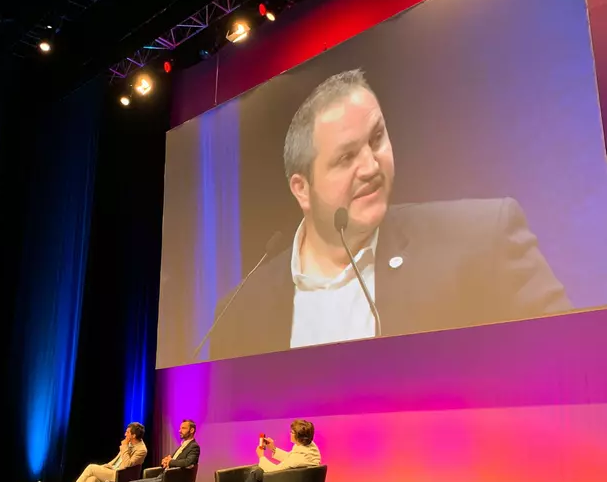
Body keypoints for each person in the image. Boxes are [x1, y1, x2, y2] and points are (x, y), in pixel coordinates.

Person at [209, 68, 571, 361]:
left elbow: (572, 364)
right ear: (302, 189)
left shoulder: (482, 239)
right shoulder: (238, 313)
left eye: (377, 138)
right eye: (346, 158)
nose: (370, 165)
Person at [49, 422, 147, 482]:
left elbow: (127, 464)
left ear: (133, 435)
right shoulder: (129, 444)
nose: (125, 434)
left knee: (91, 467)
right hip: (112, 471)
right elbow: (117, 461)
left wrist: (124, 446)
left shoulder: (141, 449)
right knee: (90, 479)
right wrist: (106, 466)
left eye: (127, 432)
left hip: (121, 476)